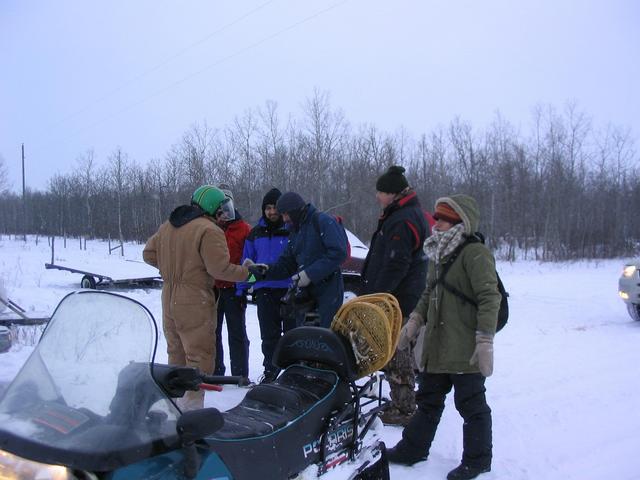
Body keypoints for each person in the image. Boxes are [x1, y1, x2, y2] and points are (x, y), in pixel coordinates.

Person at [387, 194, 501, 480]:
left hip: (465, 347)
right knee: (428, 400)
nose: (436, 223)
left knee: (471, 404)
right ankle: (413, 450)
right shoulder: (438, 252)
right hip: (437, 345)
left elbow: (490, 297)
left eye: (443, 218)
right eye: (436, 217)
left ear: (460, 222)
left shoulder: (475, 253)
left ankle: (477, 461)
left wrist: (485, 339)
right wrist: (414, 321)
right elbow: (430, 292)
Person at [143, 185, 254, 410]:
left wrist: (172, 270)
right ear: (211, 207)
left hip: (169, 297)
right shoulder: (209, 230)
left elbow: (148, 253)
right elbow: (219, 269)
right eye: (221, 210)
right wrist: (249, 274)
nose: (223, 215)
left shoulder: (168, 226)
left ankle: (173, 409)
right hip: (195, 299)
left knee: (176, 354)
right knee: (199, 357)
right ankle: (192, 411)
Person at [361, 165, 428, 426]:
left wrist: (379, 296)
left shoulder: (403, 219)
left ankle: (403, 409)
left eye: (380, 192)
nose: (377, 196)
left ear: (393, 193)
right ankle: (405, 401)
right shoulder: (404, 214)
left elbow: (396, 263)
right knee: (402, 351)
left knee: (398, 353)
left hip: (399, 300)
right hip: (404, 296)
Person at [251, 191, 348, 328]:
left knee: (320, 339)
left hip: (327, 294)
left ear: (295, 211)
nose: (283, 219)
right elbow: (286, 264)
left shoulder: (322, 221)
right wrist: (264, 270)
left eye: (285, 214)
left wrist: (310, 274)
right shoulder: (295, 231)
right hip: (306, 298)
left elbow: (339, 253)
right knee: (307, 338)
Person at [238, 188, 293, 384]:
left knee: (292, 335)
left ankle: (292, 374)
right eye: (268, 208)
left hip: (290, 291)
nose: (272, 212)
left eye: (275, 207)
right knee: (269, 338)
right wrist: (242, 289)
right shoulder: (255, 234)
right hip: (265, 293)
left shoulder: (291, 230)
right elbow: (247, 266)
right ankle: (270, 372)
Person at [212, 185, 252, 386]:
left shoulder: (244, 228)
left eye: (226, 203)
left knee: (237, 333)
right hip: (212, 290)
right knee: (212, 333)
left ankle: (240, 375)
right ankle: (216, 373)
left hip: (235, 289)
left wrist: (248, 285)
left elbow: (250, 259)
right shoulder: (208, 227)